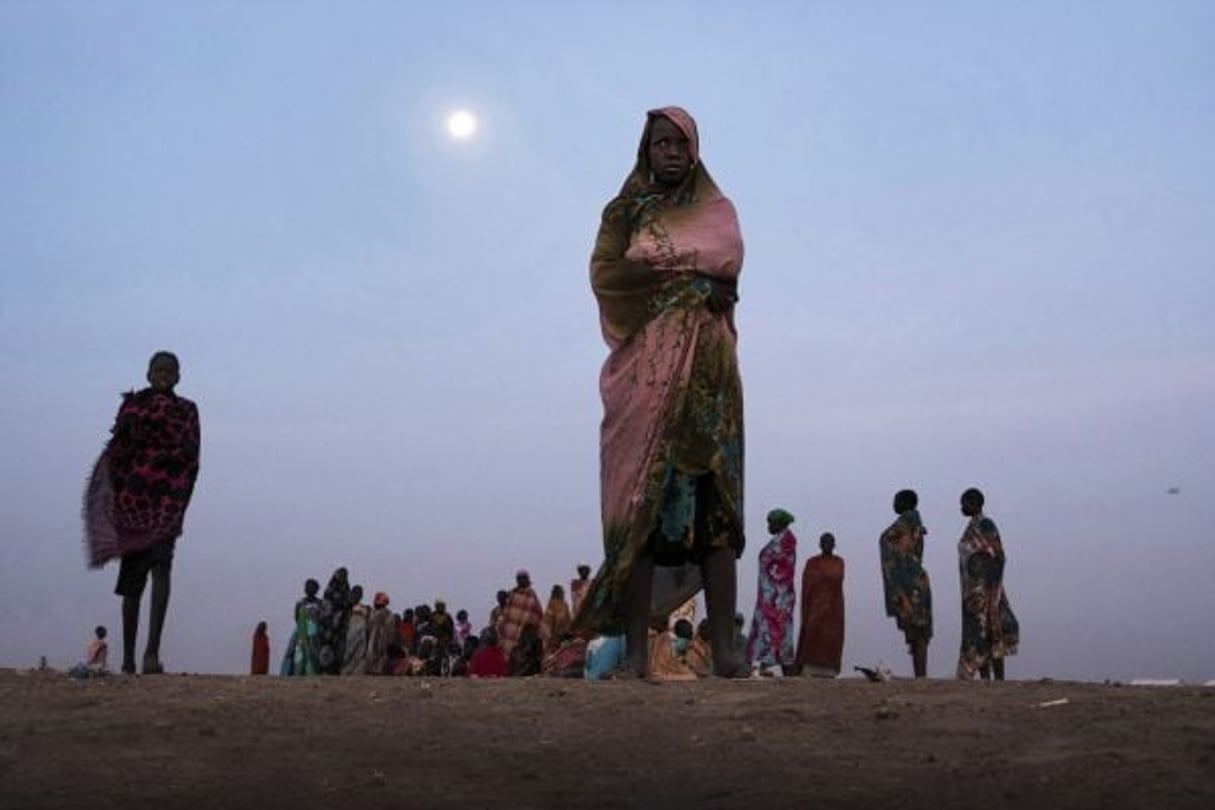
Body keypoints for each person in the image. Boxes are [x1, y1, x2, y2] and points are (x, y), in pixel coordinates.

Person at [579, 106, 747, 679]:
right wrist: (693, 280)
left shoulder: (717, 209)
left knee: (714, 509)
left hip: (706, 376)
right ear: (644, 150)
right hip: (645, 378)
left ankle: (724, 649)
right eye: (660, 144)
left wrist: (705, 282)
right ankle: (632, 653)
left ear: (694, 149)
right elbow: (608, 276)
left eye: (680, 143)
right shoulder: (624, 213)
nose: (671, 152)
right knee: (639, 507)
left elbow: (728, 270)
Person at [84, 351, 201, 675]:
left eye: (170, 370)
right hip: (134, 505)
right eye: (158, 369)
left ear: (179, 376)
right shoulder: (133, 407)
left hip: (166, 504)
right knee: (132, 584)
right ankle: (128, 658)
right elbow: (118, 452)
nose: (164, 375)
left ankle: (152, 653)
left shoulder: (187, 411)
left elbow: (191, 457)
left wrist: (179, 499)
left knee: (162, 569)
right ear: (148, 374)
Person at [956, 488, 1019, 680]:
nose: (961, 507)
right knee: (978, 633)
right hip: (972, 592)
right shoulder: (970, 527)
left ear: (975, 503)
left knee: (993, 628)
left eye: (964, 503)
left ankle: (999, 679)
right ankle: (985, 678)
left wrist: (992, 586)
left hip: (989, 590)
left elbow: (998, 554)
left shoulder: (986, 524)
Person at [880, 489, 933, 678]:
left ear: (904, 502)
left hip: (911, 583)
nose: (893, 504)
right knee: (916, 631)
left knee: (917, 630)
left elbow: (887, 538)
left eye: (896, 501)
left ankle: (921, 675)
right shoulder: (914, 521)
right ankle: (920, 674)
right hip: (915, 581)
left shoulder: (908, 519)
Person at [745, 509, 798, 675]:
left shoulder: (786, 542)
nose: (768, 526)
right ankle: (775, 664)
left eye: (771, 522)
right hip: (770, 596)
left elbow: (781, 569)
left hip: (778, 598)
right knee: (768, 630)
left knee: (777, 630)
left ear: (780, 523)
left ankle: (784, 666)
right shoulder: (780, 540)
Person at [796, 533, 845, 678]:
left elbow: (837, 577)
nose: (827, 544)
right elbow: (808, 582)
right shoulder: (812, 562)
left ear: (834, 544)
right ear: (819, 544)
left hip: (833, 609)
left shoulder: (839, 562)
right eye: (824, 541)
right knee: (811, 635)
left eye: (830, 541)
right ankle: (809, 667)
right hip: (814, 608)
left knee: (831, 638)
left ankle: (829, 669)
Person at [499, 570, 544, 656]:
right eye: (519, 578)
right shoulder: (511, 594)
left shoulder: (531, 595)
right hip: (509, 632)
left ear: (528, 580)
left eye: (523, 578)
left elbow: (537, 615)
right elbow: (505, 612)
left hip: (524, 635)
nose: (521, 580)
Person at [317, 567, 351, 675]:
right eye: (340, 574)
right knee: (327, 648)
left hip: (341, 626)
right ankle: (325, 670)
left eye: (344, 575)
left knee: (340, 649)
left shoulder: (346, 591)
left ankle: (336, 670)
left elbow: (348, 607)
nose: (341, 577)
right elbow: (325, 609)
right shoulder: (329, 591)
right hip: (328, 626)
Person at [287, 579, 322, 676]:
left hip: (315, 635)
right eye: (307, 587)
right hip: (301, 635)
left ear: (316, 589)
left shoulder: (320, 603)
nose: (309, 589)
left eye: (312, 587)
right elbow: (296, 618)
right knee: (300, 653)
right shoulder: (300, 603)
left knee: (314, 653)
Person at [646, 617, 697, 681]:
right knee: (691, 676)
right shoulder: (665, 639)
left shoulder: (660, 638)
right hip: (662, 671)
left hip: (658, 670)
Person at [365, 592, 395, 675]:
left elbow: (390, 629)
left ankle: (376, 670)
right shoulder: (378, 613)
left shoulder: (386, 614)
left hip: (380, 638)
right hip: (375, 637)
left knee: (378, 653)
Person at [342, 586, 369, 675]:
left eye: (360, 593)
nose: (358, 595)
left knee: (359, 653)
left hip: (361, 633)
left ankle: (357, 672)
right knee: (348, 652)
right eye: (355, 592)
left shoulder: (364, 607)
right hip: (349, 632)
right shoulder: (345, 606)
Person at [540, 584, 573, 653]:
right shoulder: (552, 604)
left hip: (562, 639)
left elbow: (568, 621)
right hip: (555, 640)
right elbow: (547, 624)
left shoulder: (564, 605)